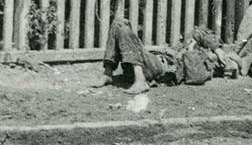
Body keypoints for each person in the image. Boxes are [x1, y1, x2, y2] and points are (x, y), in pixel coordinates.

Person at [97, 19, 237, 95]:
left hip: (159, 68)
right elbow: (199, 32)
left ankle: (140, 81)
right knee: (118, 23)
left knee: (122, 25)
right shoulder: (197, 46)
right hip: (144, 63)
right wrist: (218, 49)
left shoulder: (205, 64)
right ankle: (108, 73)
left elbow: (195, 76)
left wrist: (204, 55)